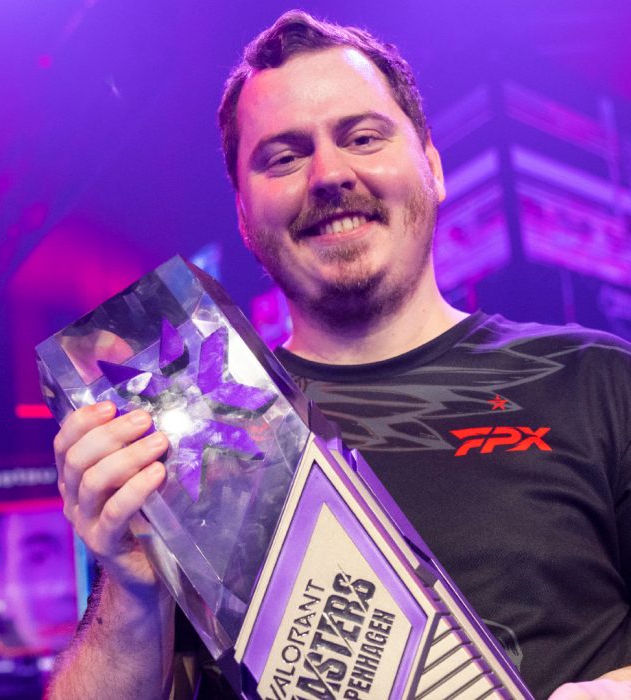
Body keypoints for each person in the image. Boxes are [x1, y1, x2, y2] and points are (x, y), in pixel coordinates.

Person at [48, 10, 631, 700]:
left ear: (432, 167)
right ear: (243, 215)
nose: (329, 174)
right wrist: (129, 587)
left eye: (362, 137)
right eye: (284, 157)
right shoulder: (180, 440)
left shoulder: (598, 381)